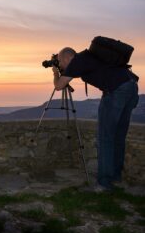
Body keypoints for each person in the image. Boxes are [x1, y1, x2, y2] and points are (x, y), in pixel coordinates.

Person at [52, 46, 139, 192]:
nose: (60, 65)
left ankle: (104, 184)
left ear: (67, 57)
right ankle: (115, 177)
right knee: (118, 137)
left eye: (60, 62)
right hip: (130, 87)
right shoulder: (88, 57)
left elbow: (59, 85)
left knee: (104, 139)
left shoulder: (77, 61)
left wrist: (55, 74)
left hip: (116, 91)